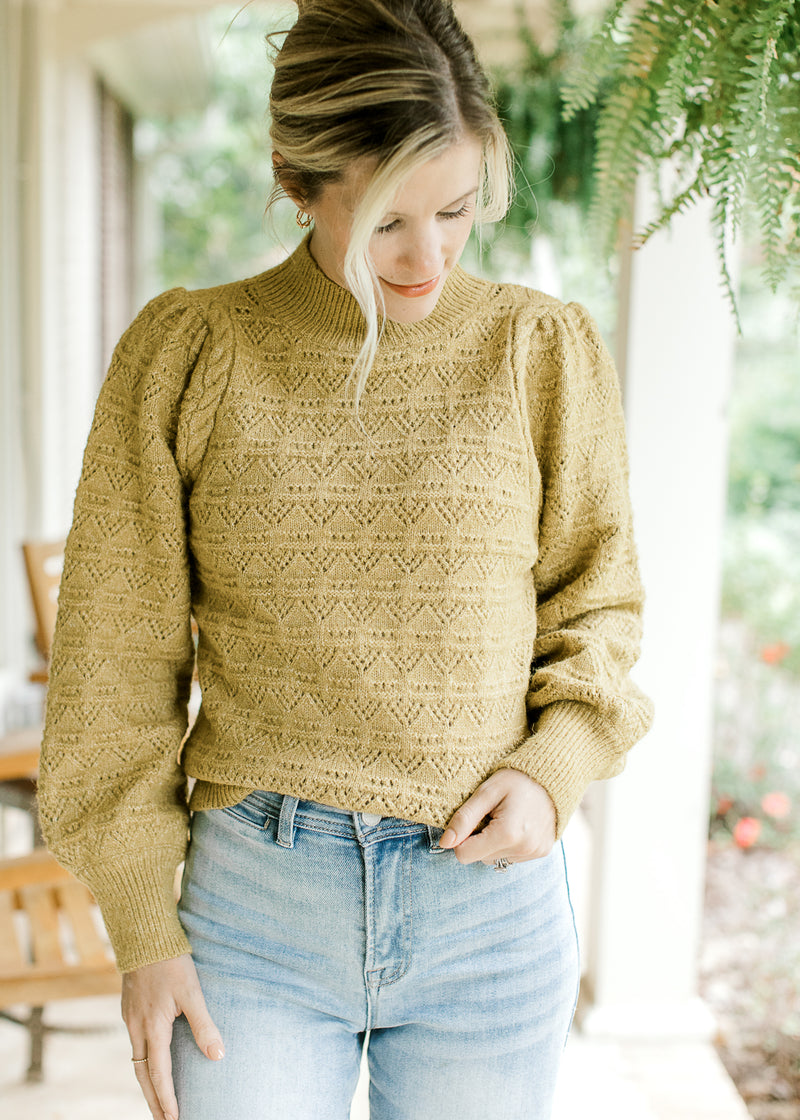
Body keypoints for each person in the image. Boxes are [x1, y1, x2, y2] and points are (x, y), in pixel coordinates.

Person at [38, 2, 653, 1118]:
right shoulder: (189, 355)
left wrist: (549, 764)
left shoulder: (537, 351)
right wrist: (142, 925)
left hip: (488, 916)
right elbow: (110, 666)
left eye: (456, 209)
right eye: (384, 221)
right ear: (295, 178)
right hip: (254, 912)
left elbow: (597, 603)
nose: (427, 257)